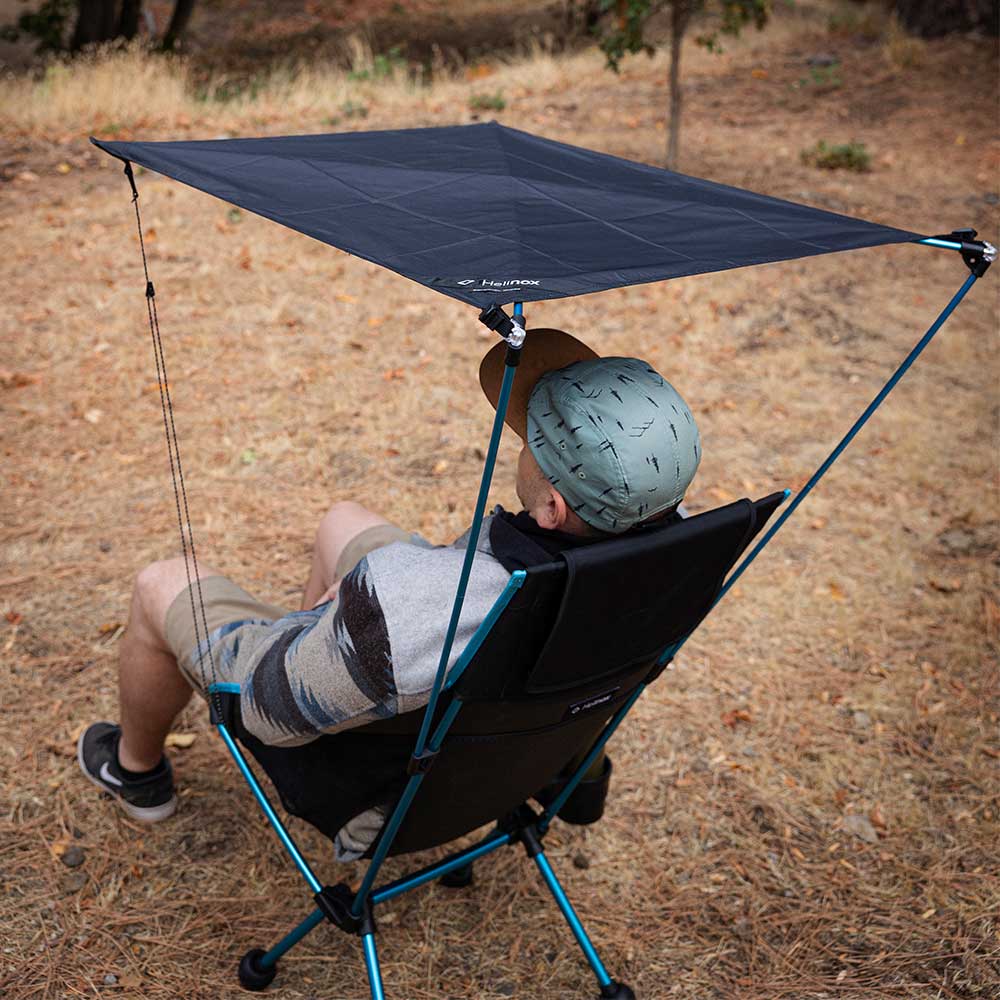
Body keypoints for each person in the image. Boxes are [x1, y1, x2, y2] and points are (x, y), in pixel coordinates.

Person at [78, 329, 701, 854]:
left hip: (385, 799)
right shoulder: (679, 566)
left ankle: (137, 773)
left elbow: (268, 715)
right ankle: (571, 774)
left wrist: (344, 625)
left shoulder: (408, 607)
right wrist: (353, 617)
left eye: (529, 443)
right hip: (516, 764)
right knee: (342, 522)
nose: (518, 443)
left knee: (160, 584)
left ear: (552, 508)